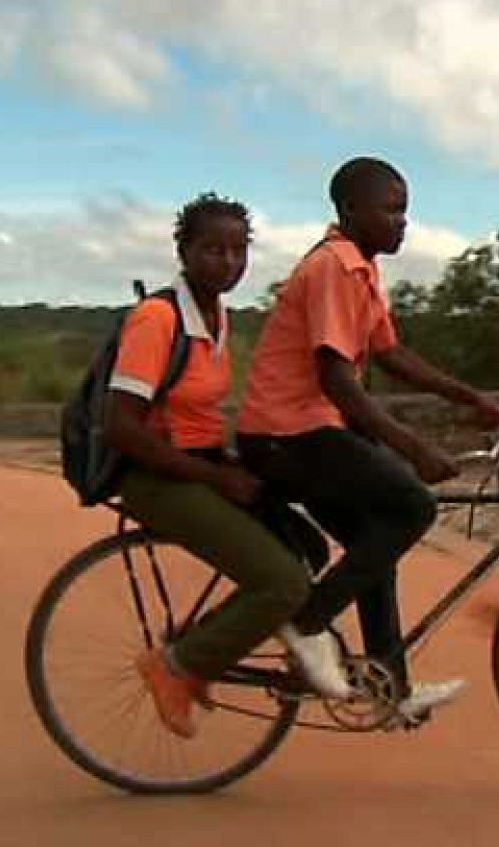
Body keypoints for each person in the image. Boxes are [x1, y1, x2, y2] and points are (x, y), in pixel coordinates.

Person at [237, 156, 499, 722]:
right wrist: (411, 447)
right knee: (411, 507)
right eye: (391, 210)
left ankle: (390, 690)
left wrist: (467, 397)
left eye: (404, 210)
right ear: (350, 210)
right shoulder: (333, 267)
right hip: (284, 437)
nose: (402, 222)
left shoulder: (362, 269)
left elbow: (390, 353)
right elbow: (337, 378)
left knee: (374, 541)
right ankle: (306, 623)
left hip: (309, 432)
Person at [112, 193, 326, 739]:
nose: (228, 263)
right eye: (213, 250)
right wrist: (215, 477)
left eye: (238, 251)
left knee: (309, 548)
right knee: (282, 583)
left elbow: (197, 414)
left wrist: (233, 463)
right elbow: (123, 427)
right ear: (184, 252)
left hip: (201, 466)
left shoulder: (218, 317)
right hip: (157, 478)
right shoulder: (158, 318)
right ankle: (177, 666)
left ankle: (204, 652)